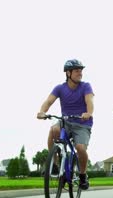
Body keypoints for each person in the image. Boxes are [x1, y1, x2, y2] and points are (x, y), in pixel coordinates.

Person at [37, 59, 94, 190]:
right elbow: (48, 101)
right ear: (68, 73)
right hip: (66, 121)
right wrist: (42, 112)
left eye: (81, 71)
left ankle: (83, 175)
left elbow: (89, 101)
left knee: (80, 148)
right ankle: (56, 164)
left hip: (82, 123)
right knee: (54, 129)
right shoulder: (60, 88)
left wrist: (88, 113)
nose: (80, 73)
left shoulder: (86, 86)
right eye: (77, 71)